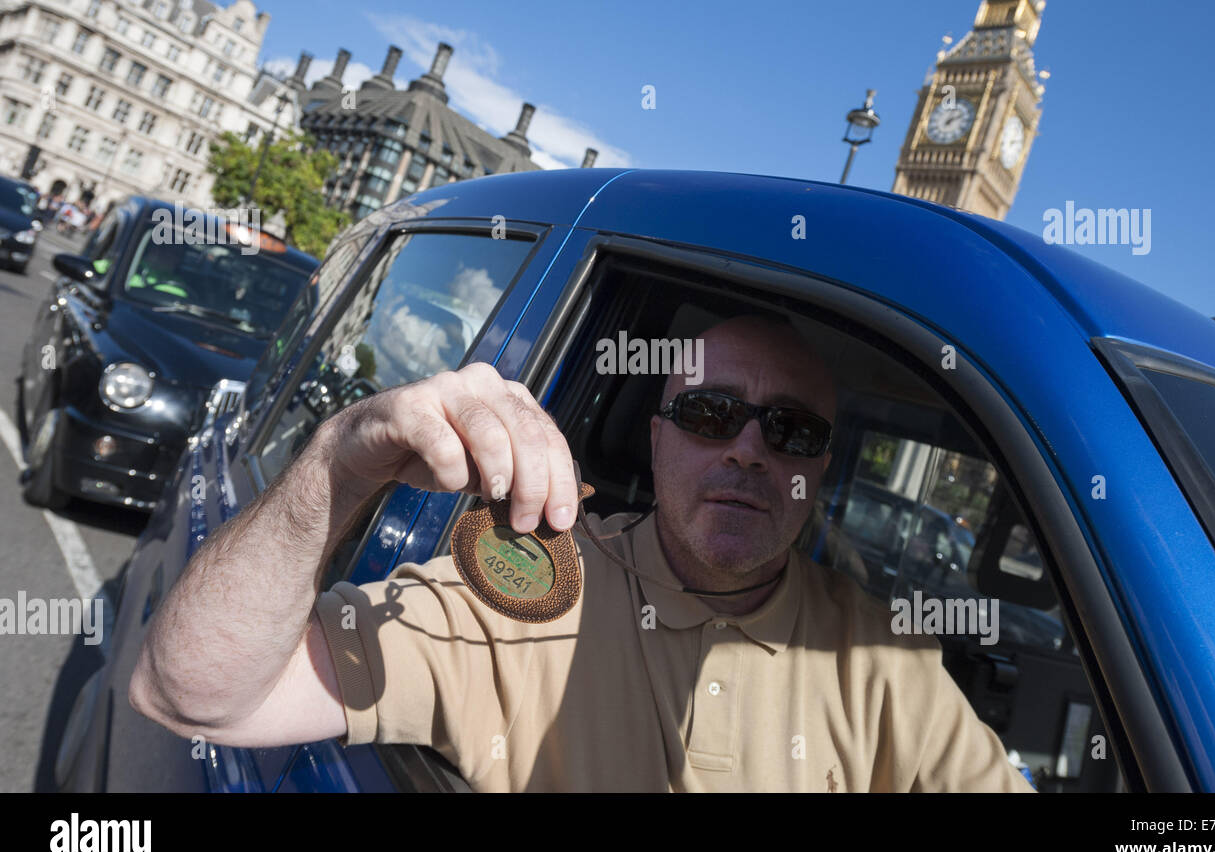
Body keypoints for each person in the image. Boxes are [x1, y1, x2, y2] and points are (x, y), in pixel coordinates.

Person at [129, 315, 1033, 792]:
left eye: (790, 430)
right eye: (713, 414)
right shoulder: (529, 591)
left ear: (819, 470)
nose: (749, 451)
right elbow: (192, 693)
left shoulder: (880, 652)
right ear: (657, 439)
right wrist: (337, 460)